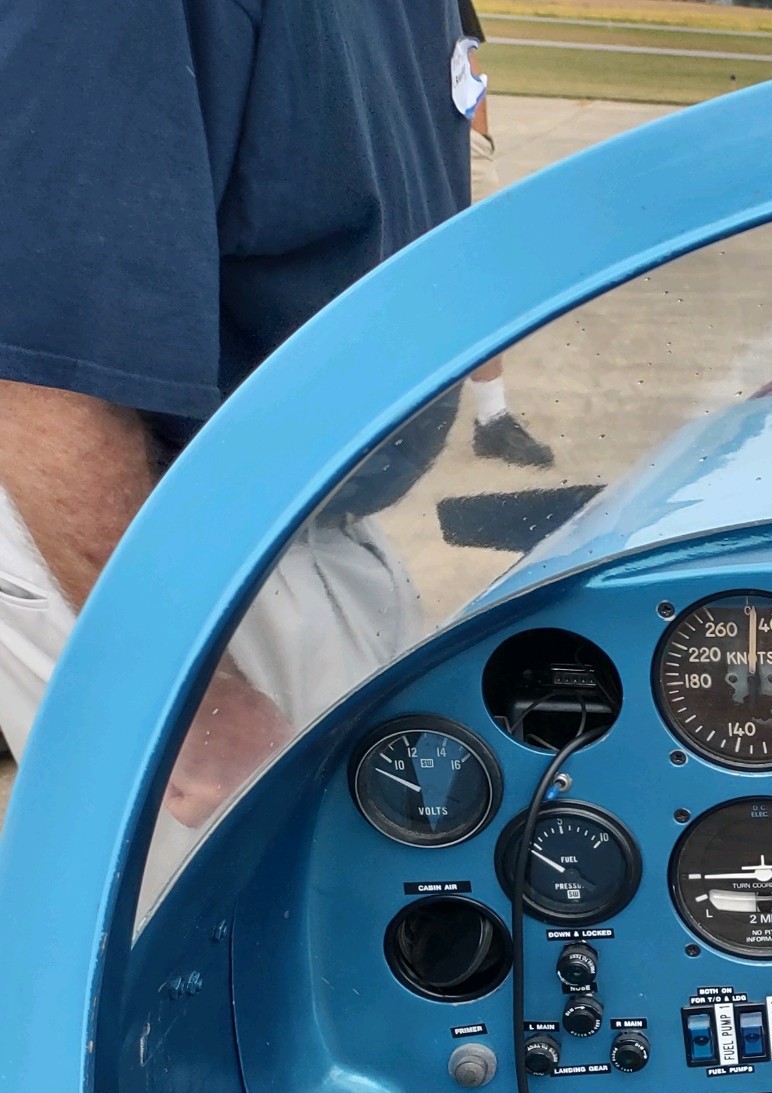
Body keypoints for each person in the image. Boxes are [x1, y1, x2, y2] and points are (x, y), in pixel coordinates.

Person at [0, 0, 470, 797]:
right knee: (284, 872)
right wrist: (180, 695)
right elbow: (43, 363)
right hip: (161, 547)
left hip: (305, 527)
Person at [455, 2, 556, 467]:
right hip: (392, 136)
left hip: (459, 143)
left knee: (483, 281)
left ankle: (492, 417)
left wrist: (479, 143)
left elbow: (465, 55)